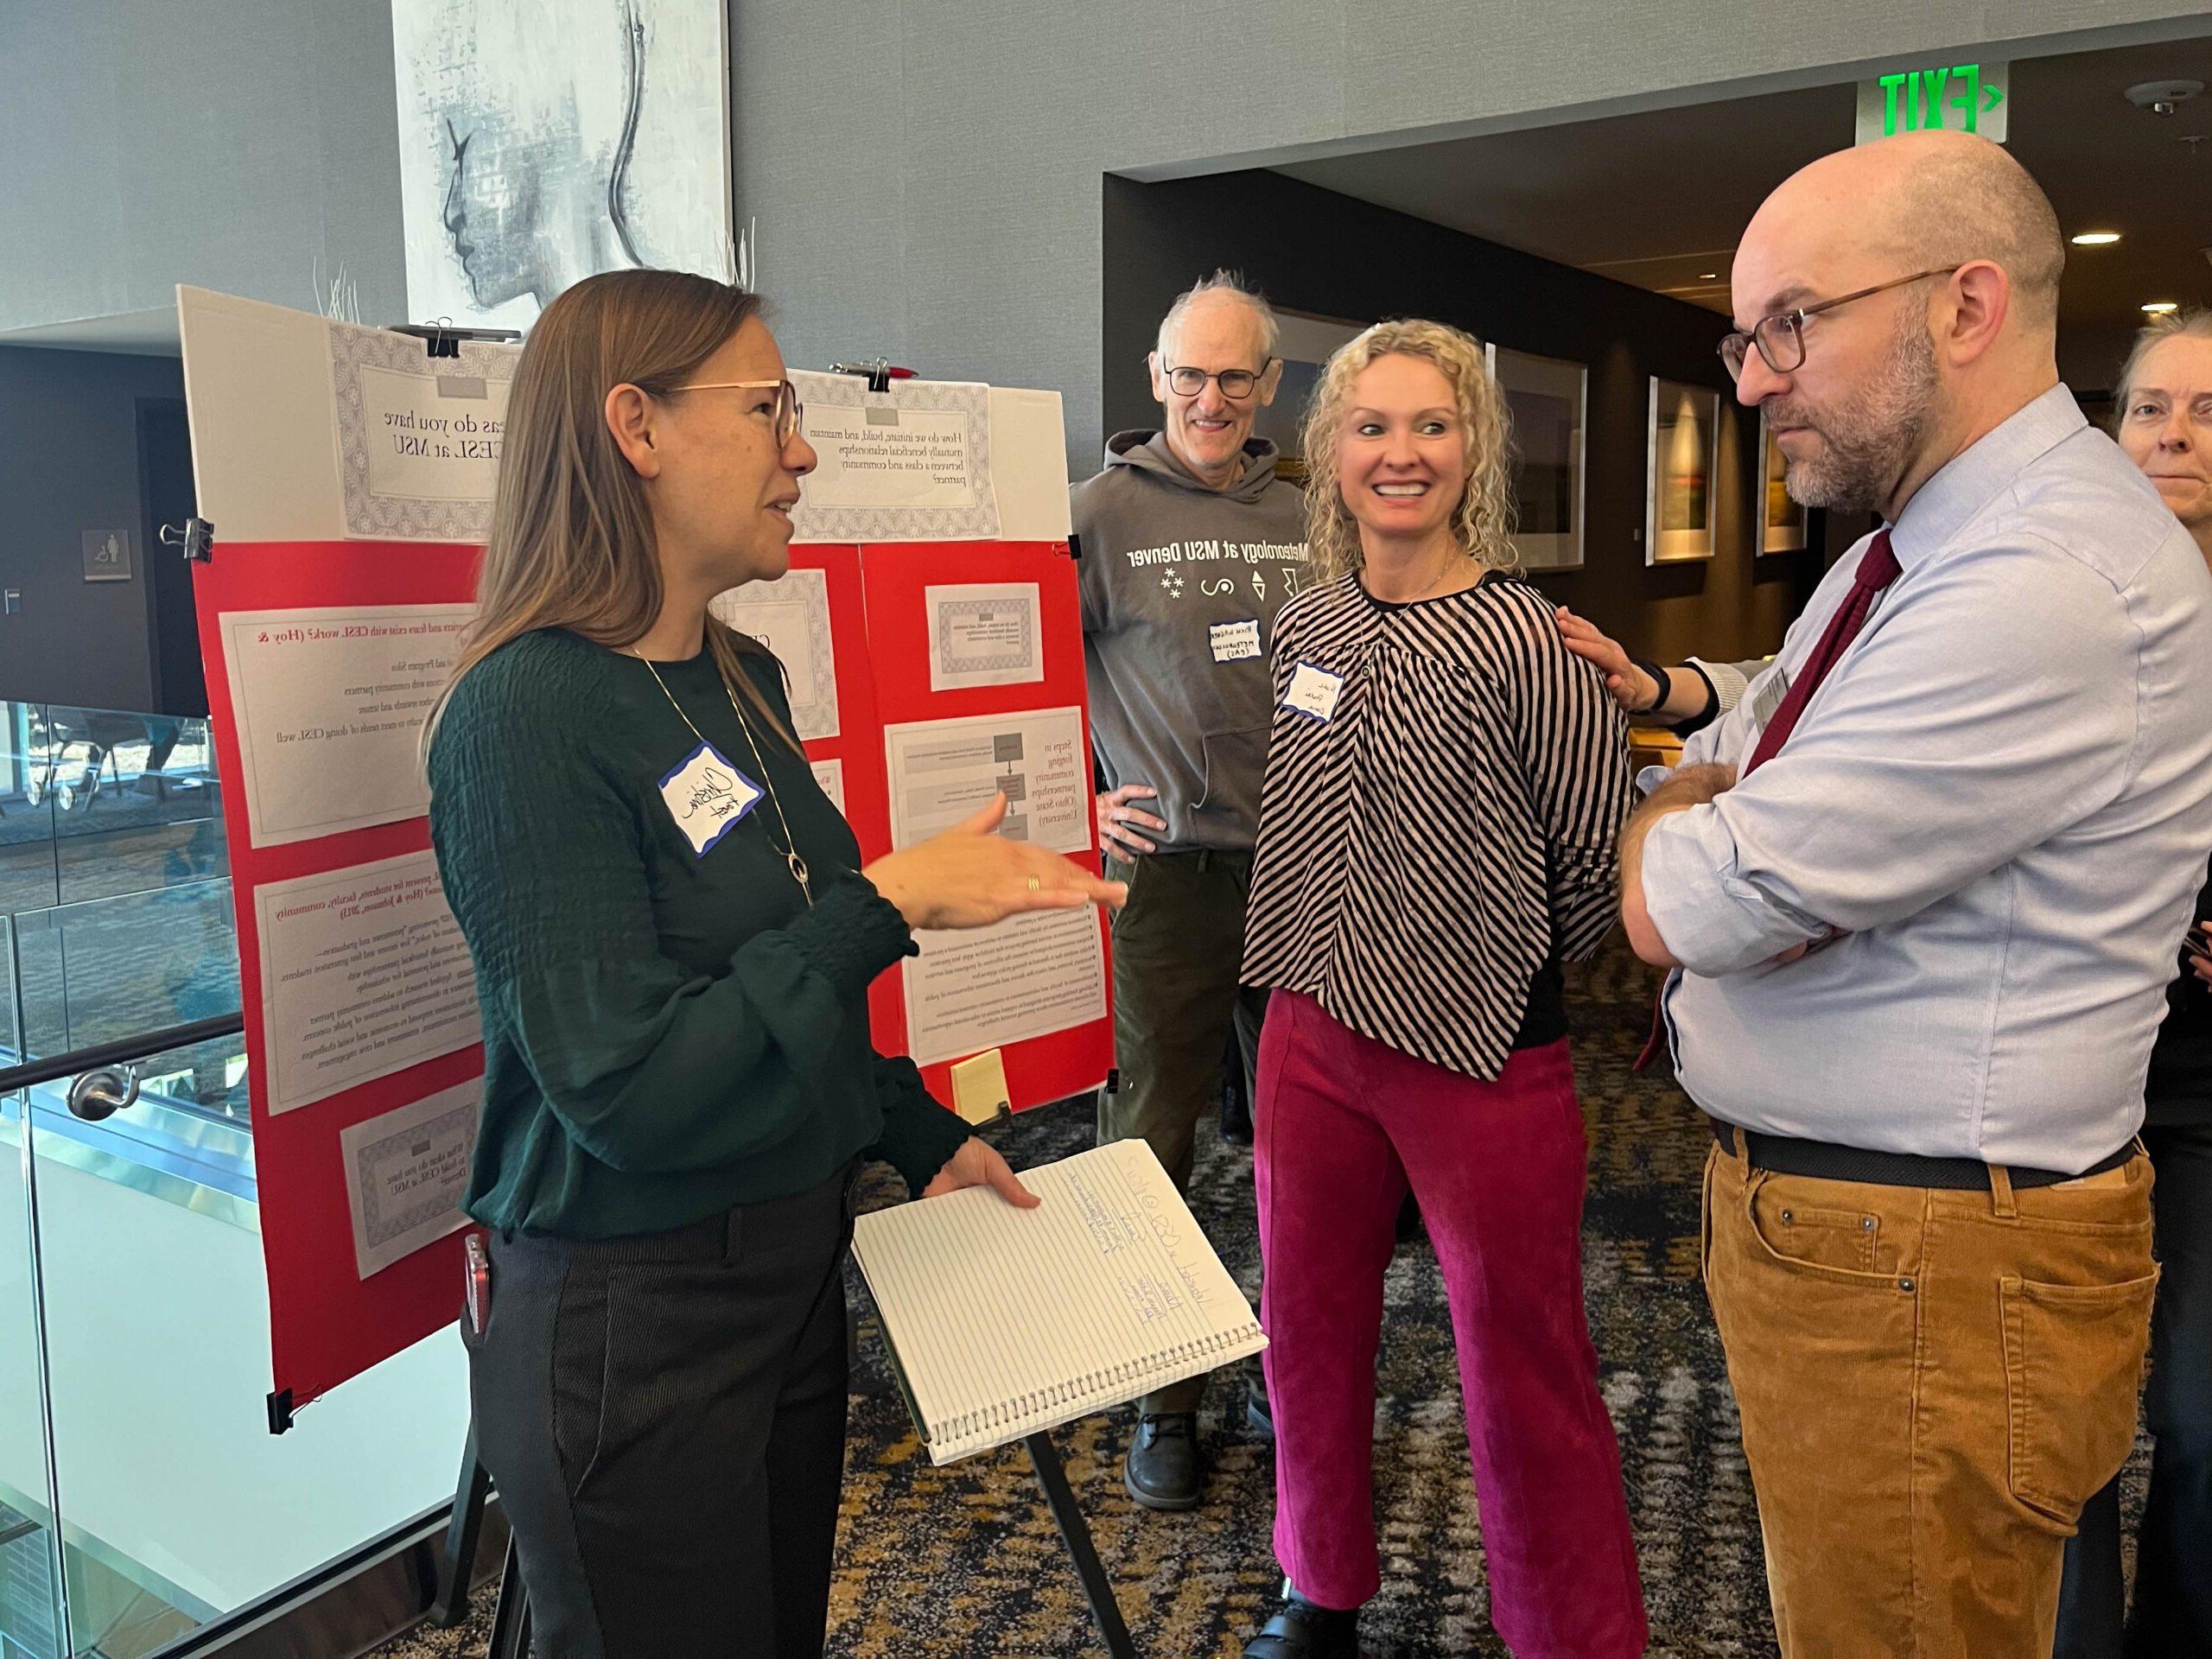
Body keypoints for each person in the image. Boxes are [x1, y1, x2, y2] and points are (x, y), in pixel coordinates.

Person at [423, 269, 1124, 1659]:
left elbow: (765, 982)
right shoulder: (522, 715)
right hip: (631, 1318)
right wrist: (887, 900)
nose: (802, 450)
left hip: (785, 1276)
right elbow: (630, 1083)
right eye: (768, 408)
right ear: (635, 426)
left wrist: (917, 1129)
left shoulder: (739, 675)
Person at [1619, 132, 2212, 1657]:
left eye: (1791, 325)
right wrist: (1717, 774)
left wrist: (1679, 805)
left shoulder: (2041, 578)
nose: (1752, 380)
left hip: (1923, 1272)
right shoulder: (1914, 545)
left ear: (1963, 307)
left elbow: (1691, 901)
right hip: (1876, 1245)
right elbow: (1751, 735)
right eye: (1745, 336)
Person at [1237, 319, 1645, 1659]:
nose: (1399, 453)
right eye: (1371, 427)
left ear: (1472, 451)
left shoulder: (1532, 640)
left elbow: (1593, 863)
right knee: (1303, 1327)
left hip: (1482, 1049)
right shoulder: (1307, 616)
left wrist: (1472, 948)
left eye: (1430, 426)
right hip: (1307, 1023)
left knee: (1523, 1361)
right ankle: (1320, 1584)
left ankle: (1568, 1635)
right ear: (1330, 452)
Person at [1074, 270, 1310, 1509]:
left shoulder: (1311, 515)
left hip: (1304, 876)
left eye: (1234, 375)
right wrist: (1076, 798)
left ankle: (1293, 1369)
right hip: (1163, 880)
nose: (1209, 397)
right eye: (1187, 374)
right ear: (1155, 379)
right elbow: (1006, 675)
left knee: (1300, 1143)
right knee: (1149, 1143)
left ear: (1268, 385)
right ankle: (1161, 1397)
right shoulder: (1098, 515)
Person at [2056, 306, 2212, 1658]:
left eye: (2208, 410)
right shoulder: (2071, 585)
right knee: (2060, 1410)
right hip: (2067, 1049)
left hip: (2204, 1071)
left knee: (2205, 1413)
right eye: (2151, 406)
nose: (2172, 434)